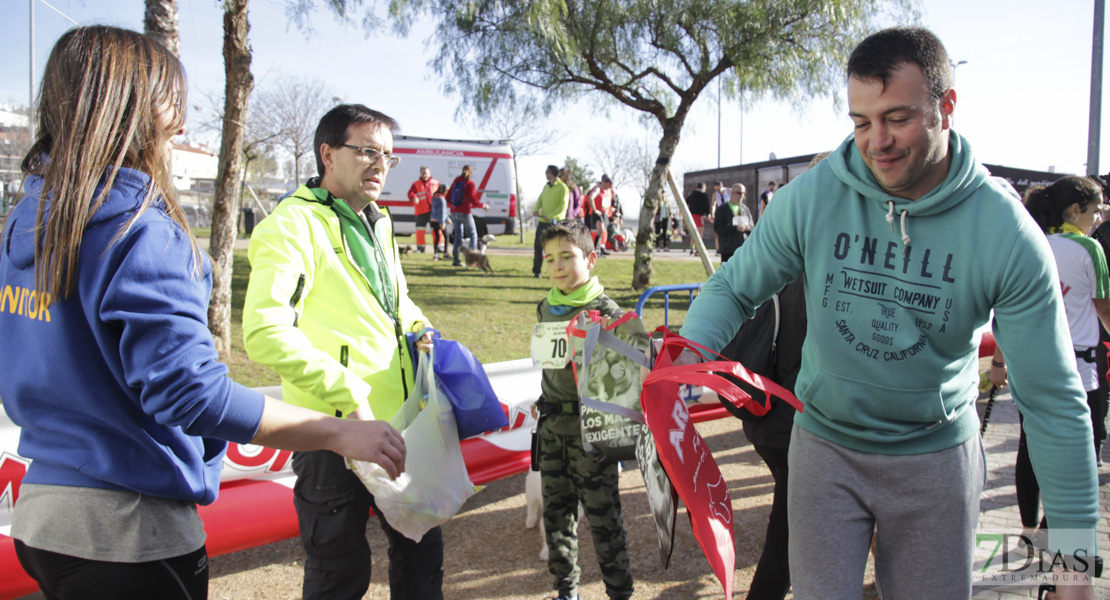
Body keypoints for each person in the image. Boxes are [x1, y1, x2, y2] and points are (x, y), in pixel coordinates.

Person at [678, 27, 1098, 599]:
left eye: (897, 118)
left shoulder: (1005, 232)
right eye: (860, 121)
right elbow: (733, 288)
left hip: (937, 458)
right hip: (825, 449)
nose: (877, 141)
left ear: (946, 107)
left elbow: (1052, 400)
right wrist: (684, 361)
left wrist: (1075, 560)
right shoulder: (815, 196)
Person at [0, 27, 406, 600]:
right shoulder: (139, 230)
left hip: (44, 518)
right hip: (129, 529)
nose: (182, 125)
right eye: (172, 105)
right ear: (130, 108)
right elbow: (193, 394)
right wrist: (336, 432)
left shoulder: (29, 221)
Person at [242, 104, 442, 600]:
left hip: (400, 423)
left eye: (389, 156)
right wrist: (347, 392)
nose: (380, 165)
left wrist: (421, 327)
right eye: (368, 151)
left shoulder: (378, 219)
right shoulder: (290, 226)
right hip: (335, 434)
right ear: (328, 154)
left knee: (422, 560)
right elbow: (264, 332)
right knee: (338, 574)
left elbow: (395, 299)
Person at [992, 176, 1110, 543]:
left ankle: (1029, 531)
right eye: (1094, 209)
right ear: (1076, 210)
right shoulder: (1088, 249)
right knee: (1081, 453)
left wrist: (998, 362)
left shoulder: (1029, 242)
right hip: (1080, 369)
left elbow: (1006, 313)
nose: (1098, 216)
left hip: (1033, 366)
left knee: (1030, 447)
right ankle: (1055, 534)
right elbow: (1105, 311)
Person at [534, 220, 634, 600]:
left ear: (591, 259)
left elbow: (625, 380)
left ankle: (620, 593)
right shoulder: (546, 306)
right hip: (552, 430)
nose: (557, 265)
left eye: (567, 256)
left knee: (603, 518)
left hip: (592, 436)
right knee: (556, 518)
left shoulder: (607, 312)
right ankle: (566, 591)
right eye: (549, 258)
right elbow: (548, 362)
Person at [720, 279, 805, 600]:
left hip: (762, 414)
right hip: (794, 424)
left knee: (792, 527)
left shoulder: (770, 272)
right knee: (787, 536)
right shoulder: (820, 279)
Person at [447, 164, 490, 267]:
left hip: (454, 212)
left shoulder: (455, 182)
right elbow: (474, 200)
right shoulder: (470, 183)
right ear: (470, 173)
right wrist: (483, 205)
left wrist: (454, 206)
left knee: (457, 237)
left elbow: (448, 197)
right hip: (465, 212)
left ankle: (456, 260)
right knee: (473, 235)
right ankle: (472, 259)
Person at [533, 164, 570, 278]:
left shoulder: (563, 187)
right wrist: (535, 210)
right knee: (538, 246)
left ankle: (559, 271)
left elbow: (563, 206)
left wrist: (550, 216)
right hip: (542, 222)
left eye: (547, 172)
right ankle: (536, 271)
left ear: (552, 173)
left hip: (555, 222)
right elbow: (540, 200)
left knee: (555, 249)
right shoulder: (546, 187)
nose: (545, 174)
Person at [713, 183, 753, 263]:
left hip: (743, 248)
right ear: (731, 193)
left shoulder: (745, 209)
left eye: (743, 194)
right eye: (739, 193)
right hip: (728, 249)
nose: (741, 196)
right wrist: (735, 228)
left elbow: (752, 227)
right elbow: (718, 228)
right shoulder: (722, 209)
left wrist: (747, 228)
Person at [407, 165, 440, 253]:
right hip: (421, 211)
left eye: (426, 173)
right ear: (420, 174)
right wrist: (413, 197)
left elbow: (442, 194)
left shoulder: (436, 183)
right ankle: (420, 248)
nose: (424, 175)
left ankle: (439, 247)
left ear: (429, 173)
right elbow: (410, 193)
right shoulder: (416, 184)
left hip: (433, 211)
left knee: (436, 230)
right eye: (423, 173)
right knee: (420, 230)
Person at [586, 174, 615, 256]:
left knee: (601, 231)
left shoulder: (606, 190)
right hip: (596, 213)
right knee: (600, 230)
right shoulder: (598, 188)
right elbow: (591, 197)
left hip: (602, 213)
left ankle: (597, 250)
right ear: (605, 183)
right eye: (608, 185)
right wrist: (595, 209)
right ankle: (594, 250)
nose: (608, 188)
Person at [686, 182, 711, 254]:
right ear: (703, 188)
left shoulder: (691, 194)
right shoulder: (703, 195)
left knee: (693, 232)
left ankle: (692, 248)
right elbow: (706, 205)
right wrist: (707, 214)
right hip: (699, 215)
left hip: (691, 215)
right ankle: (698, 249)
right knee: (700, 233)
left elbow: (686, 202)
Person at [429, 183, 450, 260]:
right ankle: (445, 253)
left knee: (436, 238)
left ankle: (436, 254)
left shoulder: (434, 197)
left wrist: (447, 218)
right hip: (439, 221)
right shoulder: (442, 199)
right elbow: (442, 212)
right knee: (446, 236)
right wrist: (443, 222)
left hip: (433, 220)